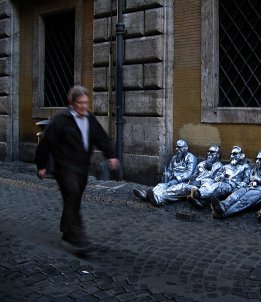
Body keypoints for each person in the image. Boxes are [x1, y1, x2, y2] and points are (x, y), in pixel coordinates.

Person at [35, 85, 120, 253]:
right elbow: (45, 143)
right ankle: (77, 238)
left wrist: (110, 156)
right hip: (64, 168)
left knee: (73, 199)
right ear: (71, 103)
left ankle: (66, 227)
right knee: (72, 195)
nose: (84, 106)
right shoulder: (61, 120)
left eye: (86, 103)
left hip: (82, 168)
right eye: (80, 103)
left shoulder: (89, 119)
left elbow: (101, 138)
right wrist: (41, 165)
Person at [134, 145, 222, 205]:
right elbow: (194, 174)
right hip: (190, 183)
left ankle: (159, 199)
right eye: (208, 152)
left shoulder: (220, 167)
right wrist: (192, 178)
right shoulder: (202, 164)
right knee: (165, 185)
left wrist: (199, 181)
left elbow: (215, 182)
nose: (209, 154)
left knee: (178, 188)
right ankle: (148, 195)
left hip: (200, 189)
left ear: (217, 155)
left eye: (212, 152)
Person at [210, 150, 261, 219]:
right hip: (249, 187)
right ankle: (222, 205)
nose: (257, 161)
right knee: (235, 195)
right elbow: (248, 180)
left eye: (260, 159)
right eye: (257, 159)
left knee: (244, 200)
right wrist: (243, 185)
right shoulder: (254, 169)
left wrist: (260, 180)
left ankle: (224, 214)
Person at [132, 139, 197, 206]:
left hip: (184, 183)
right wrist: (167, 175)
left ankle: (158, 200)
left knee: (173, 190)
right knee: (160, 186)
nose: (177, 149)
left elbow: (189, 173)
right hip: (171, 181)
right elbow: (169, 170)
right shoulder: (174, 158)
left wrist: (177, 180)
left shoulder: (191, 158)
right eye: (176, 147)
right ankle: (147, 196)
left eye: (179, 147)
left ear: (186, 148)